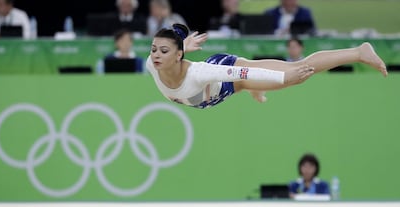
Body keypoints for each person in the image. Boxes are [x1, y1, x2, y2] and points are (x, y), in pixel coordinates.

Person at [146, 23, 387, 109]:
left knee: (298, 72)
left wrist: (285, 78)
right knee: (248, 83)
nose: (155, 55)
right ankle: (252, 88)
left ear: (178, 55)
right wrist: (183, 45)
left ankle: (358, 52)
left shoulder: (200, 73)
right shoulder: (151, 63)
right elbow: (168, 52)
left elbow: (245, 72)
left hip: (228, 74)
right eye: (154, 49)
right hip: (219, 90)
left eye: (163, 51)